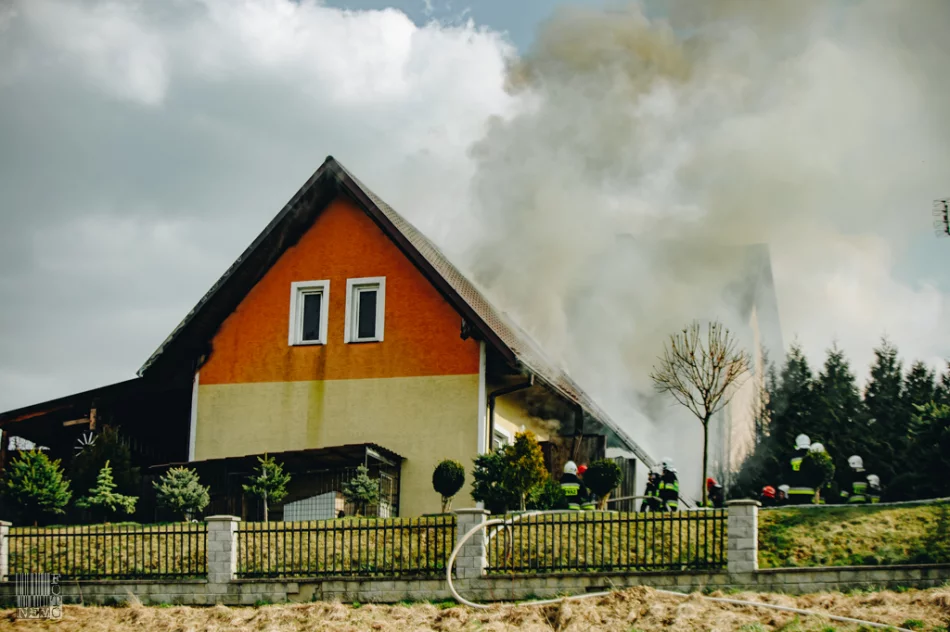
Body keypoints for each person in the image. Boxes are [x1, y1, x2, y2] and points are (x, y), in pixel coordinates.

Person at [787, 434, 816, 505]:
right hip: (808, 492)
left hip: (793, 492)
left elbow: (785, 472)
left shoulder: (791, 457)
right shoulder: (812, 458)